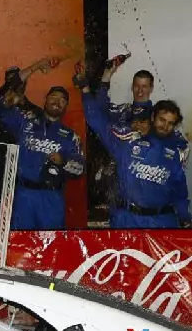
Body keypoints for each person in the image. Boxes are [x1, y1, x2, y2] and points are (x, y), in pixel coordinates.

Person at [79, 80, 191, 229]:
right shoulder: (128, 141)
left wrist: (185, 218)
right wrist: (85, 90)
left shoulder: (177, 151)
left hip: (162, 222)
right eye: (162, 120)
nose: (165, 126)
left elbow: (180, 193)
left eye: (170, 123)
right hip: (126, 219)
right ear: (153, 118)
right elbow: (98, 122)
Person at [0, 59, 85, 230]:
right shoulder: (25, 121)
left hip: (52, 198)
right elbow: (1, 107)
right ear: (46, 99)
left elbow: (79, 169)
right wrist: (34, 68)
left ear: (66, 106)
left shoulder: (71, 137)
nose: (57, 101)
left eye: (62, 100)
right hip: (23, 195)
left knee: (51, 247)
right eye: (53, 97)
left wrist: (63, 161)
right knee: (22, 246)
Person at [97, 58, 189, 165]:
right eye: (137, 86)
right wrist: (106, 76)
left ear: (151, 88)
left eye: (144, 86)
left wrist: (150, 134)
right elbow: (99, 110)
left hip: (146, 173)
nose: (140, 90)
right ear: (132, 87)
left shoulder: (158, 116)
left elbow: (184, 149)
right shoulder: (121, 110)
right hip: (118, 169)